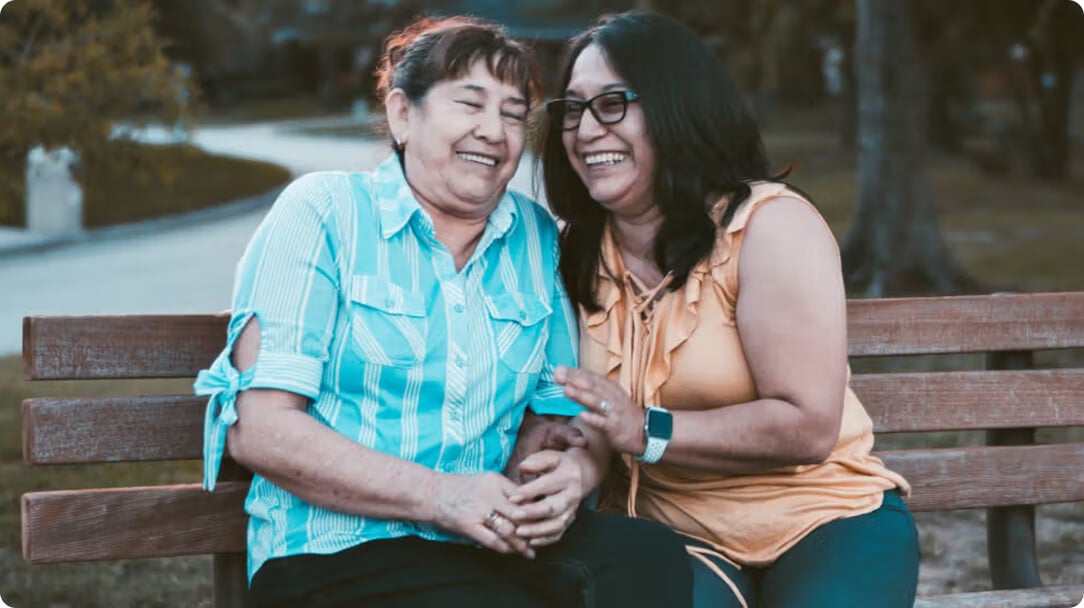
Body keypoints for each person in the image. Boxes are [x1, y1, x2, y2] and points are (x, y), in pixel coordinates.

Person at [195, 15, 693, 608]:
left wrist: (565, 472)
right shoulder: (323, 214)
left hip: (483, 545)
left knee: (646, 556)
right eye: (470, 104)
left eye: (513, 113)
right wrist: (441, 496)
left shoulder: (533, 238)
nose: (494, 131)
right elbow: (262, 430)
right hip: (335, 554)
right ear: (404, 114)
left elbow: (559, 411)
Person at [539, 11, 919, 608]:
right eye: (573, 108)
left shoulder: (767, 228)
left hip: (822, 521)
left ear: (676, 108)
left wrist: (646, 428)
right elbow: (588, 417)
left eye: (612, 103)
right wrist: (577, 470)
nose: (586, 130)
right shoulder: (574, 252)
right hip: (672, 537)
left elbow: (808, 425)